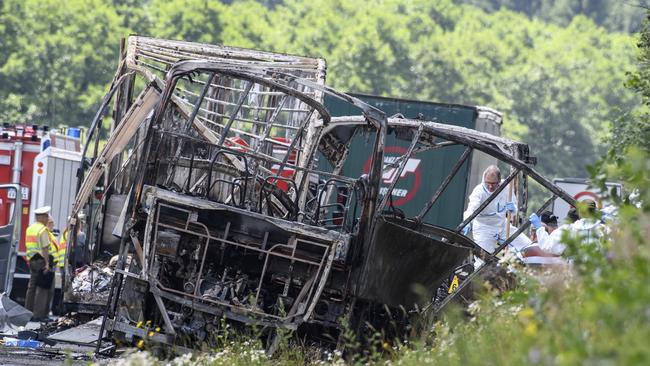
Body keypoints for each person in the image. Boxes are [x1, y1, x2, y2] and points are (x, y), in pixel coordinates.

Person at [462, 165, 532, 255]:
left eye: (493, 184)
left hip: (502, 224)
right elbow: (471, 209)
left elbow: (514, 210)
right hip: (484, 228)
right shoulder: (479, 191)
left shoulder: (506, 187)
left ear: (499, 181)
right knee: (483, 258)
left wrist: (513, 209)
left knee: (527, 246)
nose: (490, 187)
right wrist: (467, 222)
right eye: (488, 183)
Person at [24, 206, 55, 321]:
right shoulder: (43, 230)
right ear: (41, 217)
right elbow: (45, 248)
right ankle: (39, 315)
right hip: (41, 260)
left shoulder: (30, 228)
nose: (48, 218)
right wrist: (47, 264)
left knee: (31, 287)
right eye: (46, 216)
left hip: (32, 260)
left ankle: (28, 312)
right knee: (42, 288)